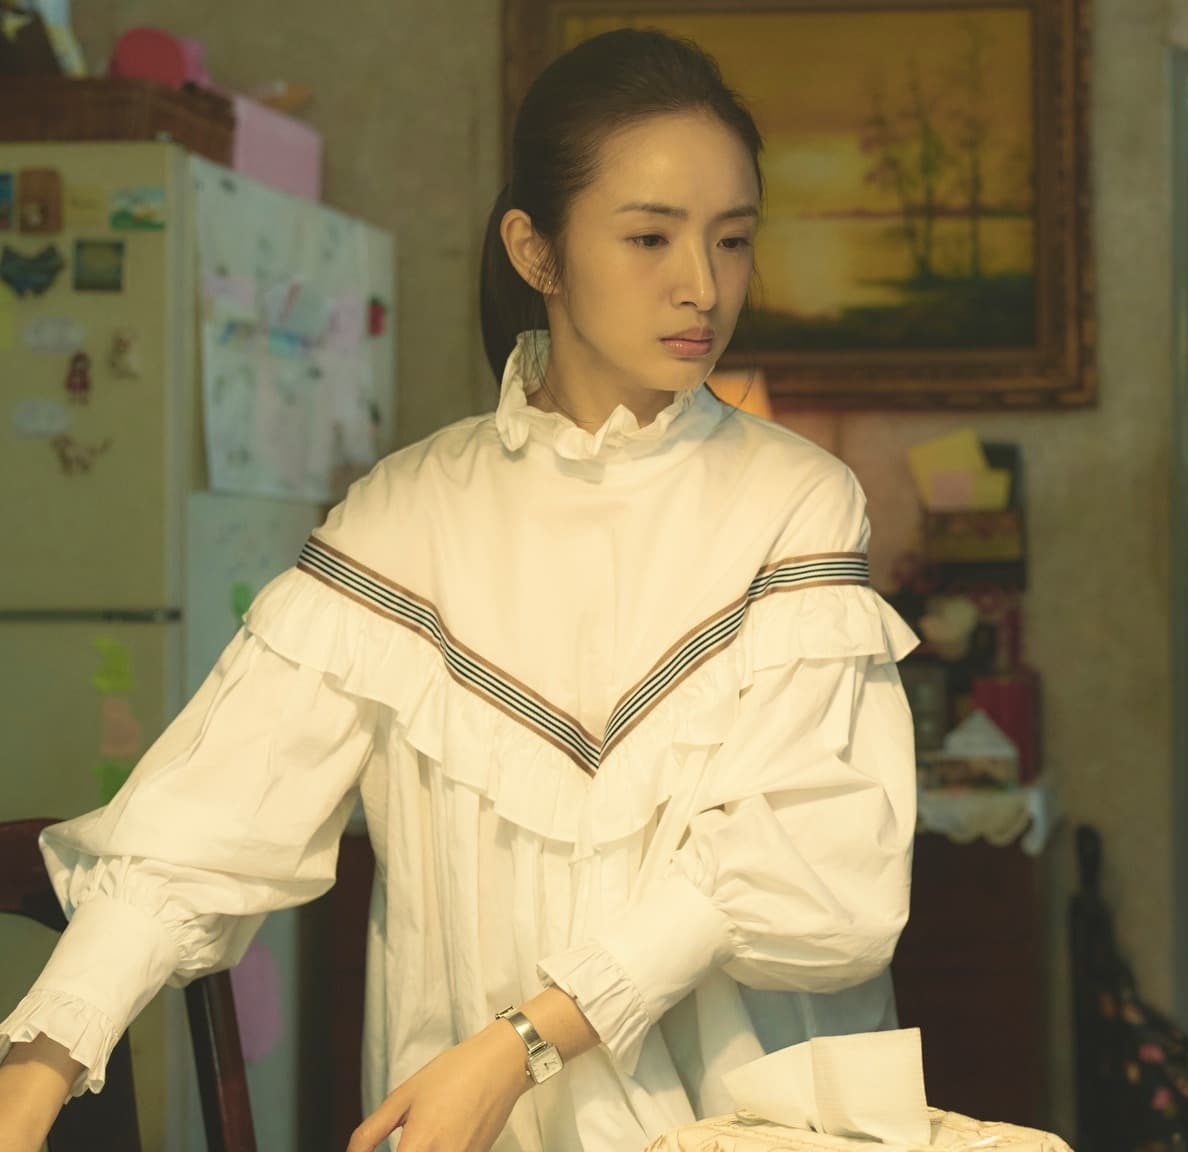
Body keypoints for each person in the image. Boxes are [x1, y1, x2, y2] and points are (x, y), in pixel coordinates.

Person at [0, 29, 918, 1152]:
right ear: (536, 250)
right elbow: (206, 825)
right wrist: (36, 1069)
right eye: (649, 237)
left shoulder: (796, 501)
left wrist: (517, 1046)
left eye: (731, 239)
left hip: (737, 1124)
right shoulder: (405, 515)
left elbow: (815, 872)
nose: (702, 285)